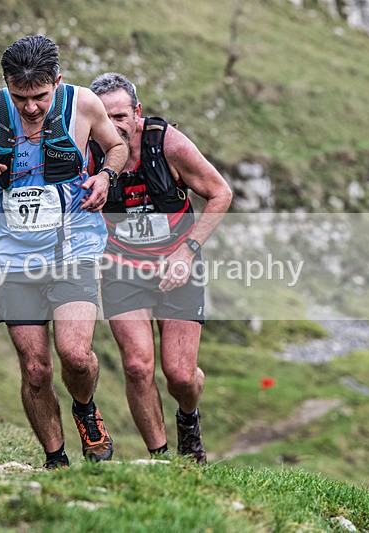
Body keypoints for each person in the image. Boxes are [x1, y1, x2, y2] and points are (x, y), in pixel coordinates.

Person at [0, 36, 128, 469]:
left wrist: (105, 177)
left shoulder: (83, 104)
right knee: (35, 369)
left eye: (40, 97)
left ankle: (85, 408)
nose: (30, 107)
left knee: (75, 355)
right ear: (7, 86)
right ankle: (55, 460)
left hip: (75, 244)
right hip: (13, 254)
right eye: (20, 96)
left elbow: (117, 147)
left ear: (58, 83)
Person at [89, 73, 232, 464]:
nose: (113, 125)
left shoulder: (167, 144)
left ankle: (188, 418)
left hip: (178, 265)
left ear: (137, 113)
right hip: (122, 267)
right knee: (136, 367)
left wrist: (187, 252)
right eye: (103, 116)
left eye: (120, 115)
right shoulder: (87, 150)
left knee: (181, 376)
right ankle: (161, 460)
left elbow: (221, 193)